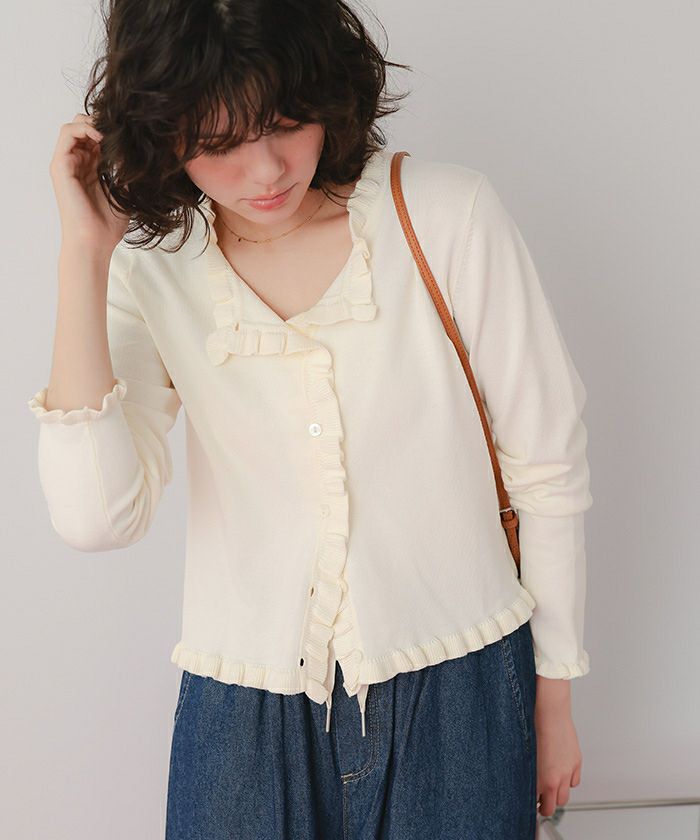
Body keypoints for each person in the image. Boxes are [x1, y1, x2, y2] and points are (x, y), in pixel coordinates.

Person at [27, 1, 593, 837]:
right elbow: (95, 518)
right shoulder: (156, 271)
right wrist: (86, 252)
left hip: (461, 688)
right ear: (162, 133)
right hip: (242, 709)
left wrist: (554, 700)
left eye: (286, 123)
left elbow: (547, 466)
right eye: (218, 142)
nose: (265, 171)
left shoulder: (446, 215)